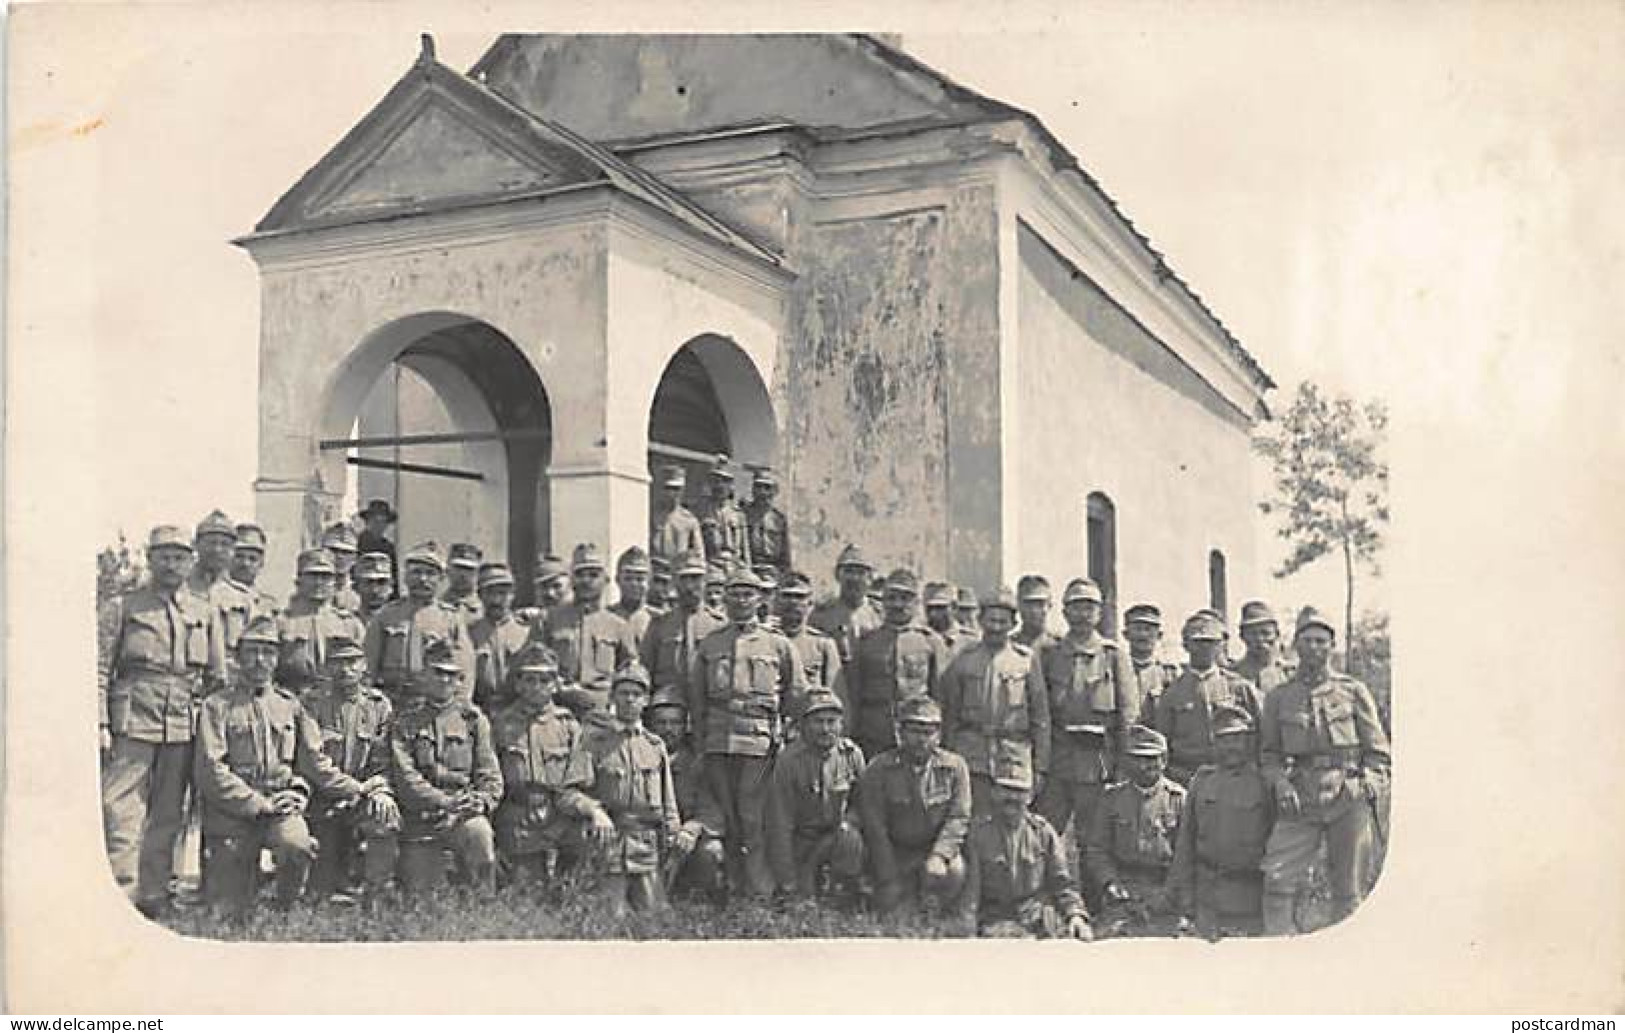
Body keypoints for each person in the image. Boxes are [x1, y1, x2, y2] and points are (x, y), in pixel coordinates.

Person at [193, 617, 364, 918]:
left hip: (281, 806)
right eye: (252, 651)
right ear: (238, 656)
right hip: (233, 813)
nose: (260, 661)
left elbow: (312, 763)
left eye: (269, 652)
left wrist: (303, 791)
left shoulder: (290, 705)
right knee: (228, 912)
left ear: (277, 659)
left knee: (297, 846)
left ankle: (285, 906)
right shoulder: (216, 706)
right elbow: (211, 771)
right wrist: (259, 804)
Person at [98, 525, 227, 918]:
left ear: (190, 561)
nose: (172, 565)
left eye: (179, 557)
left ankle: (156, 893)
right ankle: (123, 892)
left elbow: (218, 677)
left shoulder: (204, 611)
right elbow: (100, 667)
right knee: (121, 806)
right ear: (150, 560)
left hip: (182, 721)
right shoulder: (123, 606)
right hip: (133, 715)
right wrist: (101, 723)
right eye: (164, 557)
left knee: (170, 810)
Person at [1259, 606, 1391, 934]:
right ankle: (1280, 951)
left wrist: (1365, 785)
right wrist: (1280, 784)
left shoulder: (1353, 691)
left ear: (1331, 646)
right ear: (1295, 646)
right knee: (1277, 880)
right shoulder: (1279, 697)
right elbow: (1269, 754)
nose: (1314, 648)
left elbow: (1379, 754)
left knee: (1349, 890)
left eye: (1321, 641)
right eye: (1307, 641)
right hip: (1300, 796)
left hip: (1348, 796)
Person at [687, 568, 807, 898]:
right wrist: (701, 744)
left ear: (761, 599)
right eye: (734, 593)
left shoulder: (777, 645)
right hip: (717, 741)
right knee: (726, 819)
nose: (741, 600)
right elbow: (697, 699)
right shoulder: (710, 644)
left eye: (748, 594)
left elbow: (797, 696)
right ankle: (729, 889)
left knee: (754, 819)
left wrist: (784, 735)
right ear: (724, 598)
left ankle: (759, 893)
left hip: (758, 742)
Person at [388, 641, 503, 895]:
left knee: (480, 834)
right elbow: (406, 779)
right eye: (438, 672)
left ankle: (484, 905)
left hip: (464, 813)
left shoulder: (473, 720)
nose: (444, 680)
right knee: (420, 899)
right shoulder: (405, 721)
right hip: (420, 817)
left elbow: (490, 775)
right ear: (424, 675)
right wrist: (444, 802)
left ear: (461, 680)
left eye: (452, 675)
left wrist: (479, 802)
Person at [573, 661, 681, 916]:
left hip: (647, 847)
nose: (630, 700)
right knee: (611, 919)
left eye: (637, 694)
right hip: (610, 846)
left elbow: (669, 804)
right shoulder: (594, 742)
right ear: (612, 697)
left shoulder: (655, 746)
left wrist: (673, 837)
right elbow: (570, 793)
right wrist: (595, 812)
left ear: (646, 700)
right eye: (624, 693)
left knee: (655, 919)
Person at [1035, 577, 1136, 843]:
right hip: (1059, 762)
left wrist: (1124, 767)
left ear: (1100, 613)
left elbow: (1128, 717)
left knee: (1094, 840)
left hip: (1099, 765)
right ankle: (1051, 885)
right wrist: (1041, 764)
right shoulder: (1049, 654)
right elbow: (1040, 714)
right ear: (1065, 612)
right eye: (1076, 607)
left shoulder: (1113, 656)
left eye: (1089, 607)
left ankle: (1095, 887)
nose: (1082, 614)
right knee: (1045, 835)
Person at [302, 634, 400, 903]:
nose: (345, 669)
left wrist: (379, 790)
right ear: (326, 667)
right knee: (320, 890)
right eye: (337, 662)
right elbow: (312, 761)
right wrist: (353, 789)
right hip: (320, 798)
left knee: (385, 815)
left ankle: (375, 896)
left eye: (352, 662)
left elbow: (384, 759)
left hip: (363, 796)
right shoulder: (311, 704)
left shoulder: (379, 706)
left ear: (364, 665)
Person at [937, 586, 1050, 815]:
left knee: (1012, 822)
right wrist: (947, 759)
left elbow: (1041, 719)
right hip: (972, 756)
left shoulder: (1026, 662)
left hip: (1013, 758)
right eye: (991, 621)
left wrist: (1041, 767)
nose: (996, 627)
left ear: (1013, 624)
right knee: (974, 820)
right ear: (980, 621)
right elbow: (950, 716)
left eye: (1003, 621)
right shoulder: (964, 660)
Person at [489, 645, 595, 885]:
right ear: (518, 684)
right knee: (528, 897)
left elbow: (580, 782)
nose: (536, 686)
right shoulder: (500, 724)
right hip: (519, 817)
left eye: (544, 679)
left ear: (555, 685)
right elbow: (490, 780)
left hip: (561, 813)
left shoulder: (568, 725)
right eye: (529, 679)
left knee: (571, 886)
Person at [957, 753, 1093, 940]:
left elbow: (1062, 883)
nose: (1011, 797)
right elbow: (971, 892)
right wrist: (968, 928)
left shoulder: (1043, 832)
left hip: (1035, 916)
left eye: (1019, 791)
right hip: (994, 918)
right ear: (994, 793)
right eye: (1005, 790)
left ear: (1029, 796)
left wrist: (1076, 916)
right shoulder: (978, 834)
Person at [859, 695, 972, 918]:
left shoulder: (955, 767)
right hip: (894, 850)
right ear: (900, 733)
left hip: (931, 850)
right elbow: (875, 826)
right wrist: (887, 874)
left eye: (928, 732)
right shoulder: (879, 768)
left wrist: (939, 855)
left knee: (955, 870)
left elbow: (958, 817)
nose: (921, 739)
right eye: (914, 731)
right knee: (890, 909)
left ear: (939, 736)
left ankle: (934, 905)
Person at [1168, 703, 1274, 939]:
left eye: (1237, 739)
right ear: (1215, 743)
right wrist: (1184, 896)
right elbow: (1186, 842)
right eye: (1224, 740)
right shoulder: (1202, 780)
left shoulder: (1265, 783)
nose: (1231, 747)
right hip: (1208, 898)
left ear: (1248, 742)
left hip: (1249, 899)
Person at [1084, 725, 1187, 937]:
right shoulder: (1111, 798)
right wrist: (1110, 882)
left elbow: (1186, 855)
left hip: (1164, 890)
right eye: (1138, 759)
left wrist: (1169, 892)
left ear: (1164, 761)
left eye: (1151, 759)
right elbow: (1097, 849)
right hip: (1123, 889)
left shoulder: (1179, 799)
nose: (1144, 766)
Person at [767, 689, 866, 905]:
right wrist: (787, 879)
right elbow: (780, 822)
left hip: (839, 836)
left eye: (832, 721)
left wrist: (849, 822)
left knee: (852, 839)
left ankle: (845, 891)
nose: (825, 729)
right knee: (800, 901)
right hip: (802, 840)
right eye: (818, 722)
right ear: (803, 725)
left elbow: (864, 804)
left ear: (841, 724)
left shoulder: (852, 755)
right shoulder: (789, 761)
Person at [846, 568, 949, 763]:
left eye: (905, 598)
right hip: (875, 732)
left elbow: (940, 694)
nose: (897, 604)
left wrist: (938, 736)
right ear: (883, 602)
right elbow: (854, 693)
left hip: (917, 733)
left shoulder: (930, 642)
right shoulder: (867, 642)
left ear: (916, 603)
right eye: (891, 598)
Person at [363, 541, 475, 708]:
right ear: (405, 576)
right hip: (392, 703)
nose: (422, 579)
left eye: (430, 573)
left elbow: (465, 671)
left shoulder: (451, 619)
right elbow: (368, 667)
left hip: (433, 705)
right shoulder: (386, 616)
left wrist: (459, 707)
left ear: (441, 578)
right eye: (416, 572)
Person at [1156, 611, 1263, 784]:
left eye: (1210, 642)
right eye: (1197, 642)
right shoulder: (1172, 693)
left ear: (1221, 645)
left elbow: (1261, 734)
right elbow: (1162, 741)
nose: (1204, 648)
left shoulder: (1239, 687)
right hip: (1187, 776)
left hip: (1236, 776)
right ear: (1185, 645)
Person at [534, 543, 638, 719]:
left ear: (606, 580)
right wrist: (562, 688)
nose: (586, 581)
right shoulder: (551, 619)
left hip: (603, 711)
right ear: (571, 579)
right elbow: (538, 662)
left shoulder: (619, 625)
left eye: (593, 575)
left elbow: (629, 671)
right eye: (580, 575)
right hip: (559, 708)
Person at [644, 689, 726, 901]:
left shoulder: (695, 763)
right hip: (646, 838)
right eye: (661, 723)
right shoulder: (639, 755)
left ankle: (695, 898)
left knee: (712, 850)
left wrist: (692, 828)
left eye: (675, 723)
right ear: (651, 725)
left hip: (683, 842)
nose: (668, 729)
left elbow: (710, 808)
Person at [276, 548, 367, 696]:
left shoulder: (351, 625)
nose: (318, 582)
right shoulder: (281, 622)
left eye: (325, 576)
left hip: (339, 701)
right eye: (312, 575)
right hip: (295, 697)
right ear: (298, 580)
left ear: (334, 582)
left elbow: (364, 671)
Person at [640, 550, 724, 700]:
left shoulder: (719, 624)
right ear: (674, 582)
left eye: (696, 578)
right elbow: (646, 668)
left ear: (705, 581)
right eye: (684, 579)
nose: (689, 586)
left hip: (708, 704)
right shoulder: (660, 625)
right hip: (669, 705)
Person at [775, 571, 842, 730]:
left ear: (810, 604)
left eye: (799, 597)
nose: (792, 602)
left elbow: (835, 694)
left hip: (809, 730)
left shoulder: (823, 644)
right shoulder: (765, 640)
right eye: (787, 596)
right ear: (776, 601)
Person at [468, 562, 531, 711]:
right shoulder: (469, 633)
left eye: (502, 593)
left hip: (518, 710)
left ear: (513, 595)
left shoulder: (526, 632)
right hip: (481, 709)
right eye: (490, 592)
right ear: (479, 595)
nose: (496, 600)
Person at [808, 544, 882, 667]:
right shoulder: (822, 614)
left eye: (860, 573)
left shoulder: (879, 614)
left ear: (870, 578)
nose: (854, 578)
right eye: (848, 571)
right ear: (837, 575)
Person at [1122, 603, 1180, 732]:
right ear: (1126, 634)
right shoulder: (1114, 670)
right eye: (1137, 629)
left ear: (1159, 635)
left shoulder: (1169, 674)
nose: (1143, 635)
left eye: (1148, 629)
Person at [223, 522, 280, 642]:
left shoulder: (269, 605)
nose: (245, 563)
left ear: (261, 563)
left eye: (252, 559)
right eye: (239, 556)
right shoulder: (216, 594)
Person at [1230, 601, 1297, 699]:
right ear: (1242, 636)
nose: (1260, 639)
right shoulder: (1231, 675)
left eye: (1266, 633)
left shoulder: (1290, 675)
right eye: (1253, 634)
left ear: (1277, 634)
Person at [697, 454, 752, 568]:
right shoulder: (701, 511)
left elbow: (745, 550)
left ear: (731, 486)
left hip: (735, 565)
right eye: (716, 481)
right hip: (711, 565)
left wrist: (747, 569)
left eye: (725, 481)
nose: (720, 486)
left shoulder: (738, 514)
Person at [649, 464, 705, 568]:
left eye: (676, 489)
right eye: (668, 488)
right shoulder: (651, 515)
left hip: (679, 570)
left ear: (682, 490)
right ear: (662, 489)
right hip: (656, 570)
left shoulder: (689, 519)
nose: (672, 493)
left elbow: (698, 553)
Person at [743, 467, 791, 577]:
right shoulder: (743, 514)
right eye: (758, 487)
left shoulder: (779, 519)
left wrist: (783, 573)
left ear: (775, 491)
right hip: (749, 569)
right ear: (752, 490)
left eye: (767, 487)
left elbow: (785, 554)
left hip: (772, 570)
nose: (762, 492)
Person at [609, 546, 656, 652]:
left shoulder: (659, 621)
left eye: (640, 579)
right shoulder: (604, 618)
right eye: (628, 578)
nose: (634, 584)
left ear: (650, 582)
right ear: (617, 580)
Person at [356, 499, 399, 594]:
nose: (379, 525)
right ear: (367, 522)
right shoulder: (357, 543)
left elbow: (393, 575)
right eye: (375, 521)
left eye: (383, 522)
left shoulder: (388, 547)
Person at [922, 581, 973, 659]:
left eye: (940, 608)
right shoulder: (917, 640)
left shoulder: (971, 642)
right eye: (929, 608)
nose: (933, 614)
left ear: (954, 607)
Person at [321, 522, 364, 614]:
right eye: (334, 550)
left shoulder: (361, 595)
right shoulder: (309, 590)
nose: (340, 556)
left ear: (355, 558)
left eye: (346, 552)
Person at [441, 543, 485, 622]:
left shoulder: (486, 610)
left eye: (469, 569)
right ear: (447, 570)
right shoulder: (436, 606)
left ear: (478, 573)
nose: (463, 574)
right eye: (458, 568)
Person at [1013, 574, 1058, 650]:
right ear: (1018, 605)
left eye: (1040, 604)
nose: (1034, 611)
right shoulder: (1009, 646)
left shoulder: (1061, 646)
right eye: (1028, 604)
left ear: (1049, 605)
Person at [353, 552, 395, 623]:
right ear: (356, 587)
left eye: (381, 583)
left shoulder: (403, 621)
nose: (375, 590)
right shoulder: (345, 623)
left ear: (391, 586)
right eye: (368, 583)